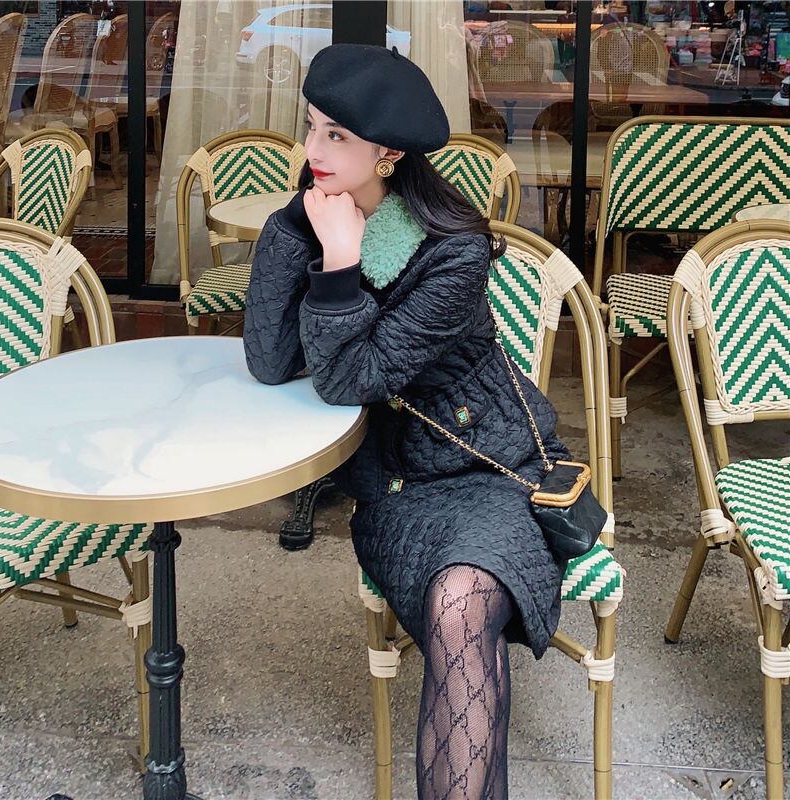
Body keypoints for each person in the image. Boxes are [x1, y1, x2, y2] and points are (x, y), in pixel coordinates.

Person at [243, 43, 570, 800]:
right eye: (311, 127)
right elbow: (268, 360)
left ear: (388, 153)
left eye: (336, 137)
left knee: (463, 603)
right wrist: (299, 231)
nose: (313, 150)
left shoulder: (452, 252)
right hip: (397, 484)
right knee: (458, 606)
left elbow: (350, 378)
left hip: (486, 466)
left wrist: (339, 267)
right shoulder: (312, 219)